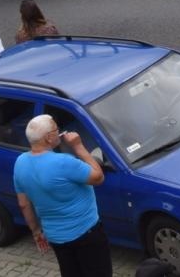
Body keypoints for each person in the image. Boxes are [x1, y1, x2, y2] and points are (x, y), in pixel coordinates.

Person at [14, 113, 110, 277]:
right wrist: (79, 146)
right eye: (55, 128)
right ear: (49, 138)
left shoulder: (20, 163)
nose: (59, 131)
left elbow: (23, 204)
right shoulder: (64, 162)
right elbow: (98, 177)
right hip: (86, 232)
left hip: (56, 236)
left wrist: (36, 232)